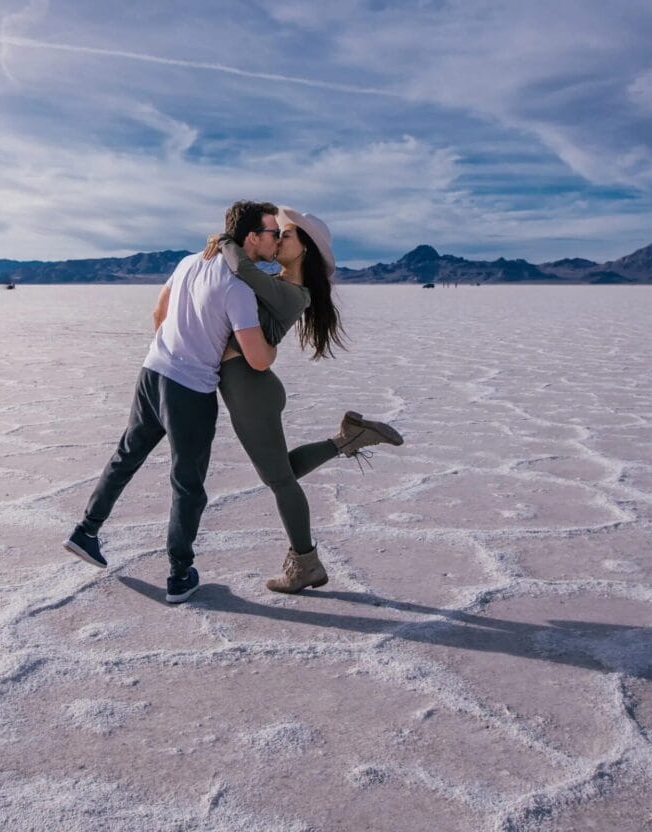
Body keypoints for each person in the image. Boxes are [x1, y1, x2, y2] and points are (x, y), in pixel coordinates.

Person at [63, 202, 281, 603]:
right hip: (190, 392)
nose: (277, 240)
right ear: (251, 237)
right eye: (273, 233)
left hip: (152, 373)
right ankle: (180, 574)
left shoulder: (187, 262)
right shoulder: (237, 287)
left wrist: (173, 348)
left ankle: (86, 530)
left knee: (126, 455)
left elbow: (158, 312)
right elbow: (258, 359)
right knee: (188, 484)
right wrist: (272, 343)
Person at [206, 203, 403, 594]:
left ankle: (305, 564)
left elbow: (241, 267)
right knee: (281, 474)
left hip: (250, 390)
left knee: (280, 481)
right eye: (278, 233)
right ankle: (347, 438)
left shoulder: (293, 293)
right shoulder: (279, 282)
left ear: (305, 250)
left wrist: (228, 239)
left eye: (288, 235)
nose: (279, 239)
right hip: (250, 388)